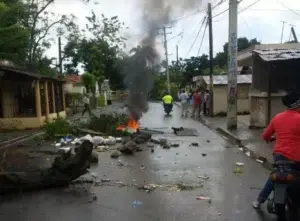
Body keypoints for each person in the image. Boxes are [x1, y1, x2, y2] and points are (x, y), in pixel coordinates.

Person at [252, 91, 300, 209]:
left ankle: (259, 200)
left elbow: (265, 136)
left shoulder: (277, 117)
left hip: (279, 156)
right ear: (297, 105)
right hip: (296, 158)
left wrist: (272, 138)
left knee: (276, 176)